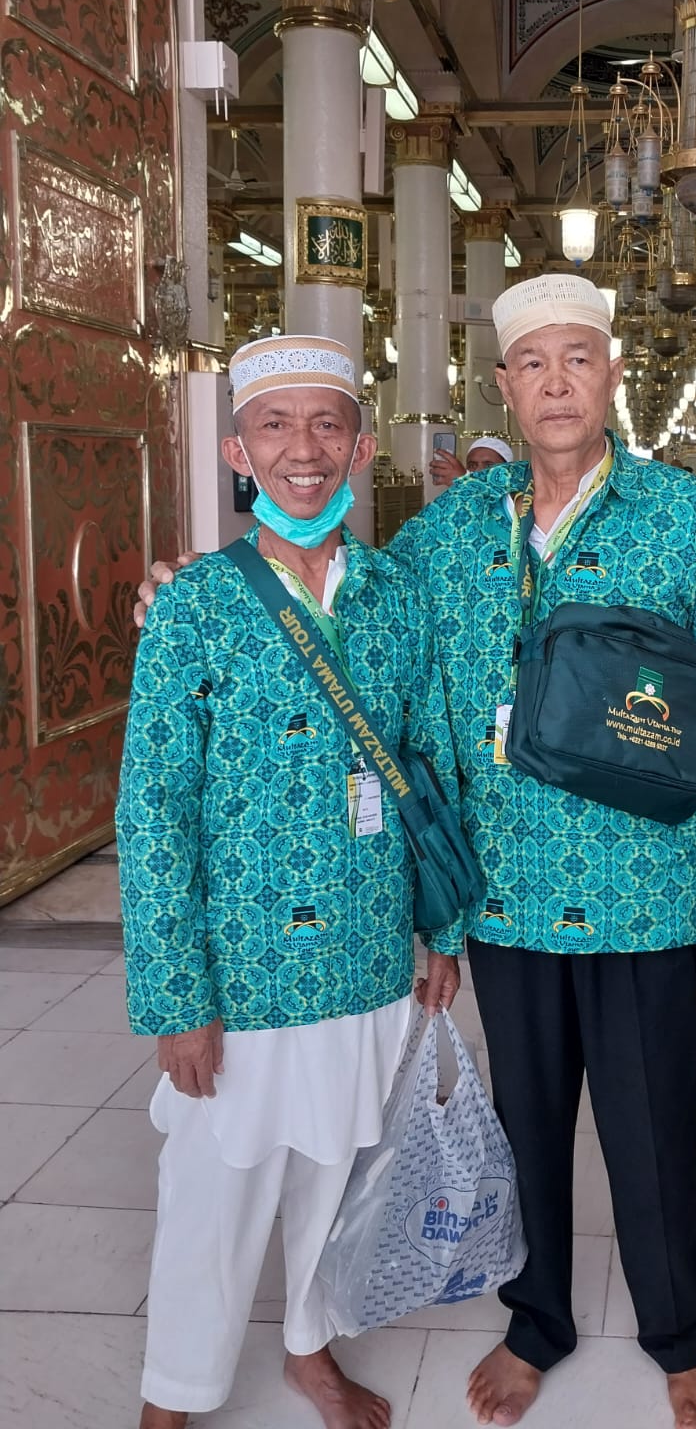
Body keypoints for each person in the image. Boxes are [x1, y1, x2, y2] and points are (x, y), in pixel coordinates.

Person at [390, 274, 696, 1429]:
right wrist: (212, 581)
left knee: (654, 1123)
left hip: (645, 882)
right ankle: (537, 1319)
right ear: (502, 387)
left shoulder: (677, 513)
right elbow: (354, 609)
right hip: (506, 891)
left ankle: (678, 1329)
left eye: (578, 360)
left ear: (612, 375)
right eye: (533, 364)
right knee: (527, 1120)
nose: (556, 384)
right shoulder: (455, 525)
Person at [120, 335, 462, 1429]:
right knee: (214, 1190)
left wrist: (441, 930)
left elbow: (428, 765)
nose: (301, 449)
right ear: (239, 451)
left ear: (361, 447)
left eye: (326, 424)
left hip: (366, 950)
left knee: (337, 1170)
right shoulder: (196, 606)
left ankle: (311, 1347)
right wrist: (178, 997)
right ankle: (175, 1393)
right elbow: (153, 811)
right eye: (274, 425)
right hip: (244, 964)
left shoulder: (397, 596)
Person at [431, 434, 514, 486]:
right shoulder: (457, 494)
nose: (478, 470)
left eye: (489, 465)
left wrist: (463, 482)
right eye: (472, 465)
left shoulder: (515, 498)